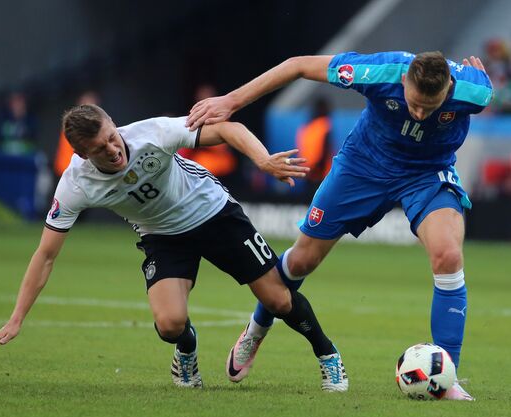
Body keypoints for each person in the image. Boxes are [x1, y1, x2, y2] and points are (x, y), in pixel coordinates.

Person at [0, 104, 348, 392]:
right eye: (101, 149)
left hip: (213, 212)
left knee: (280, 301)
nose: (114, 149)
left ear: (114, 125)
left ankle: (327, 354)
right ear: (83, 156)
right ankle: (187, 349)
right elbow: (46, 254)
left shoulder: (153, 133)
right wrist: (17, 317)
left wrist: (263, 160)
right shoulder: (75, 184)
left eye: (112, 136)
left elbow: (228, 128)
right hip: (162, 236)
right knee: (169, 325)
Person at [186, 51, 493, 400]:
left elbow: (483, 89)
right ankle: (257, 328)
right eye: (414, 104)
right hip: (363, 166)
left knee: (449, 256)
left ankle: (446, 376)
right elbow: (297, 65)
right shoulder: (380, 72)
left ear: (449, 88)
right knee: (302, 260)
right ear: (404, 81)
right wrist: (231, 100)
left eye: (430, 107)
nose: (420, 114)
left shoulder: (474, 91)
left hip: (426, 175)